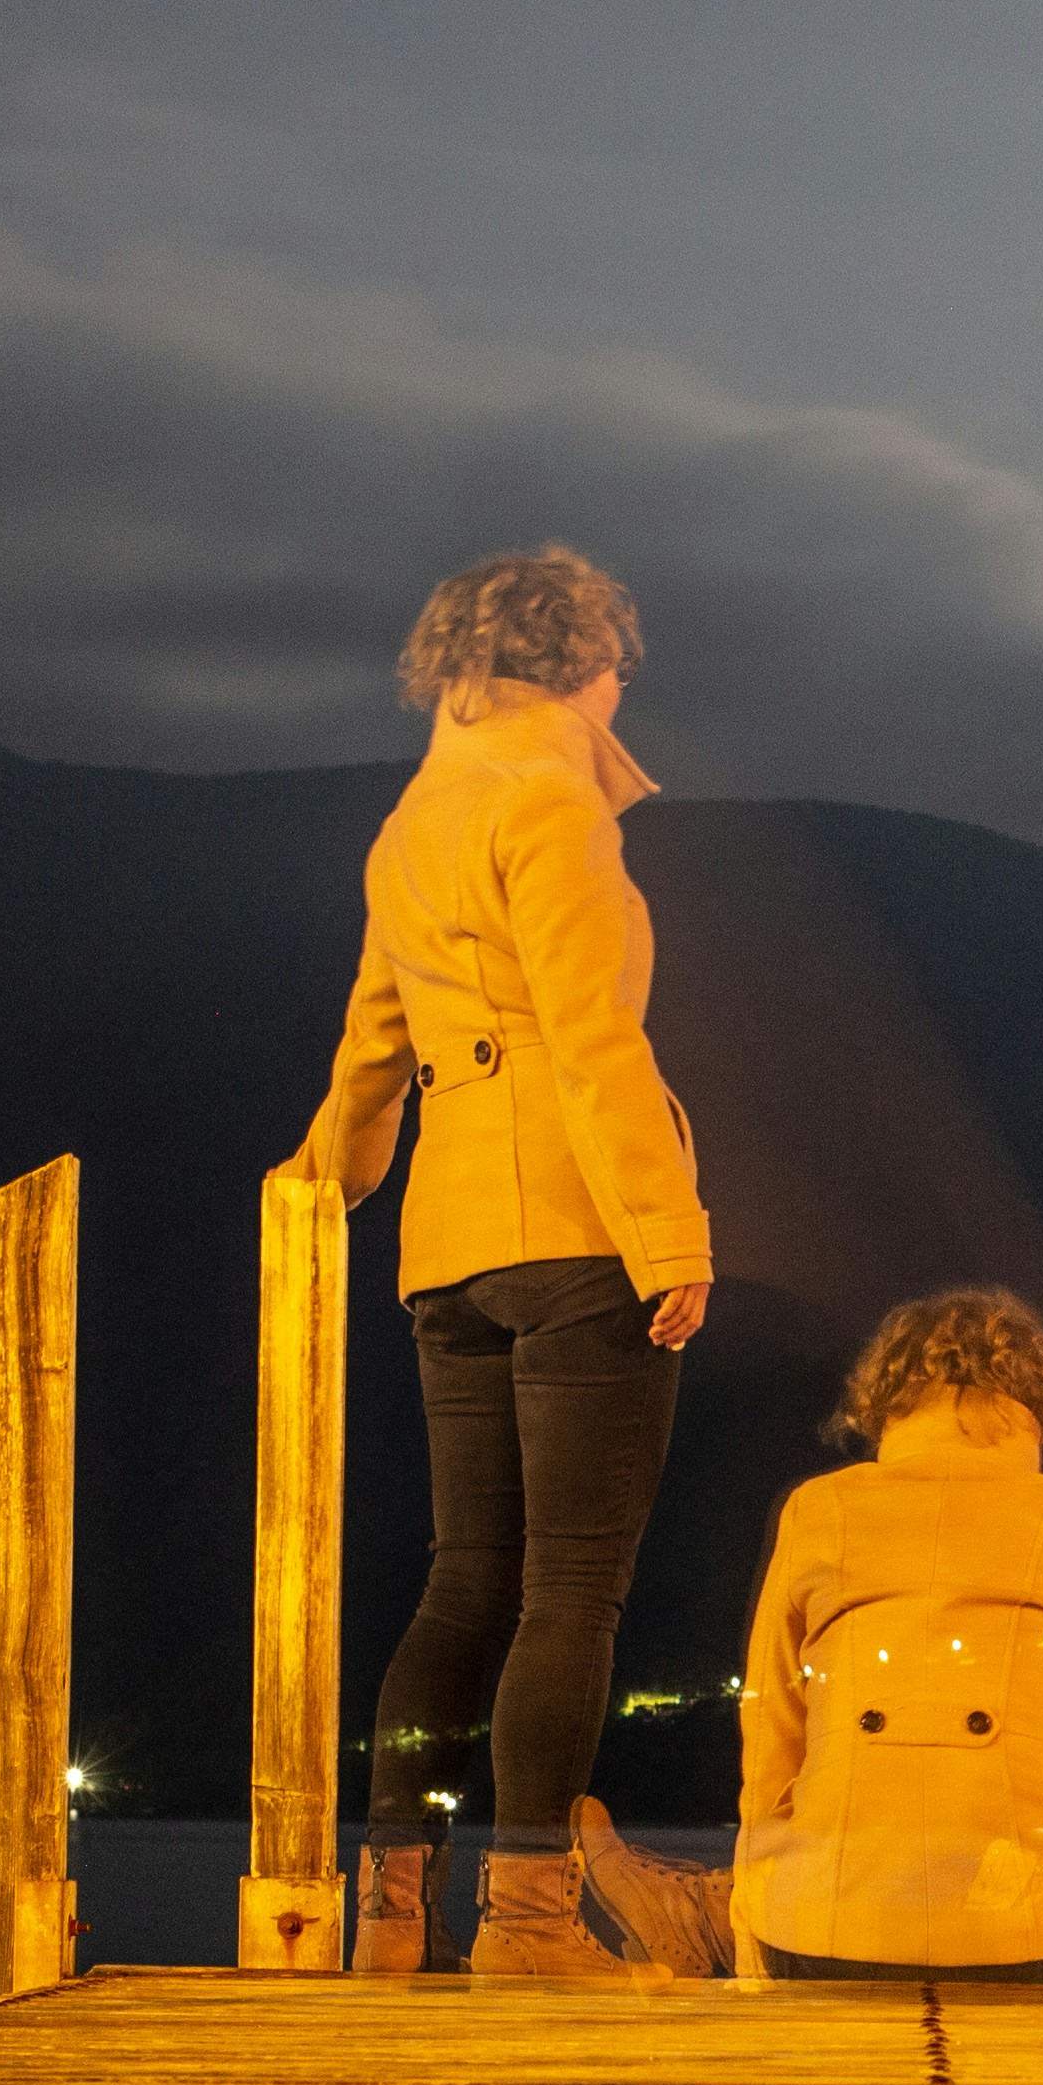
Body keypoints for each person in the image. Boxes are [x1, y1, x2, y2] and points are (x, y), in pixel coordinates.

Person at [279, 545, 711, 1982]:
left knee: (464, 1581)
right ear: (584, 662)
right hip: (572, 1227)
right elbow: (595, 1041)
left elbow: (367, 1042)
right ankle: (527, 1920)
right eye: (615, 662)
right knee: (569, 1594)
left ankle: (390, 1912)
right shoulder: (551, 803)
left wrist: (321, 1184)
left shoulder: (413, 820)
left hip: (445, 1248)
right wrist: (669, 1238)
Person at [713, 1288, 1043, 1988]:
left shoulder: (820, 1510)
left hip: (825, 1932)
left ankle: (686, 1912)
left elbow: (771, 1730)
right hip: (1040, 1936)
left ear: (887, 1397)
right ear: (1037, 1401)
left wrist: (753, 1924)